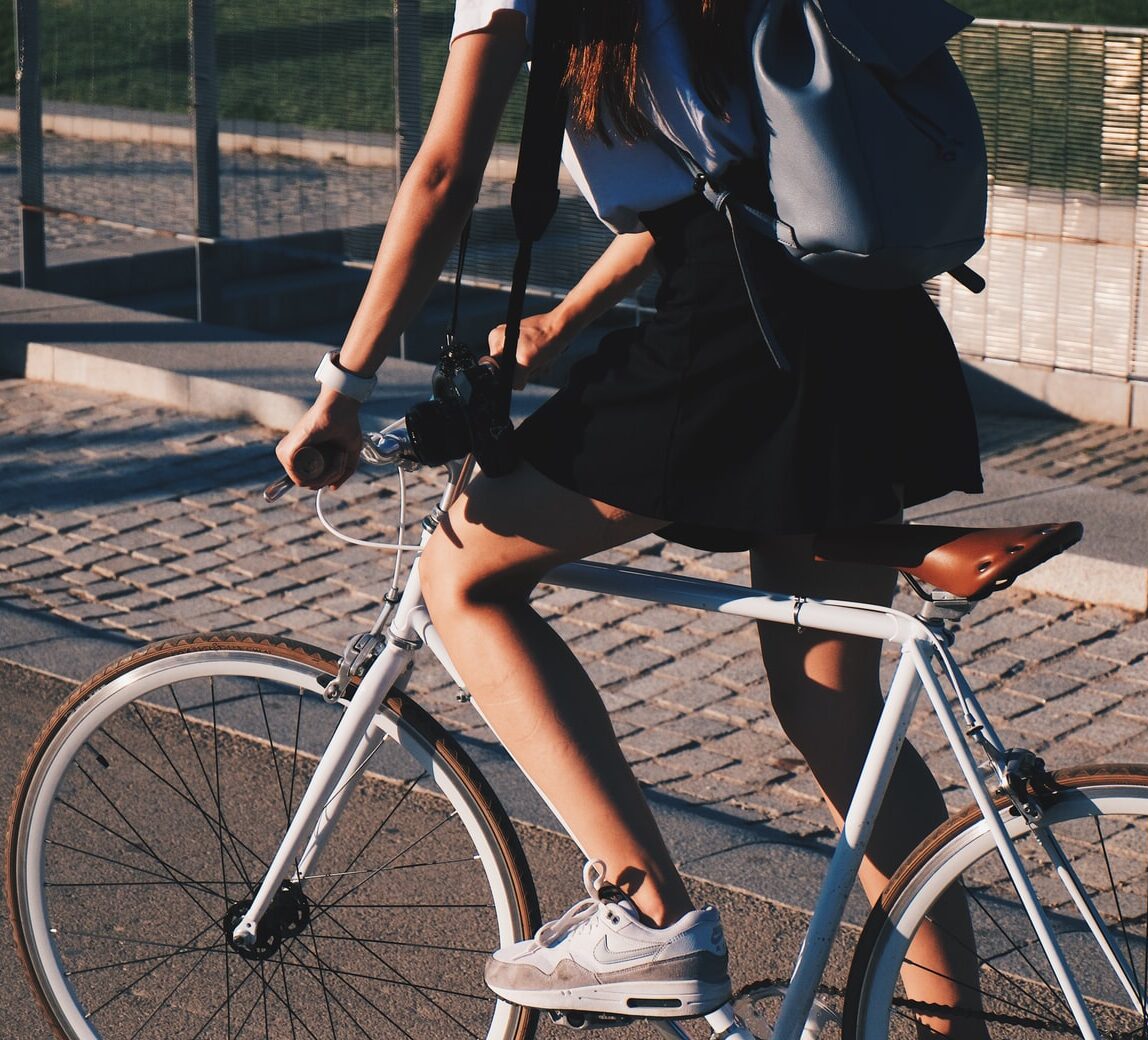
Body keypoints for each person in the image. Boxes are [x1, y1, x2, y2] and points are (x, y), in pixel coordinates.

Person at [277, 0, 985, 1033]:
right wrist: (565, 320)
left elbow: (439, 175)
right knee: (832, 705)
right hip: (858, 308)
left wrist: (341, 384)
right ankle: (945, 1025)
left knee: (461, 573)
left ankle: (642, 911)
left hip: (736, 330)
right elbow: (727, 176)